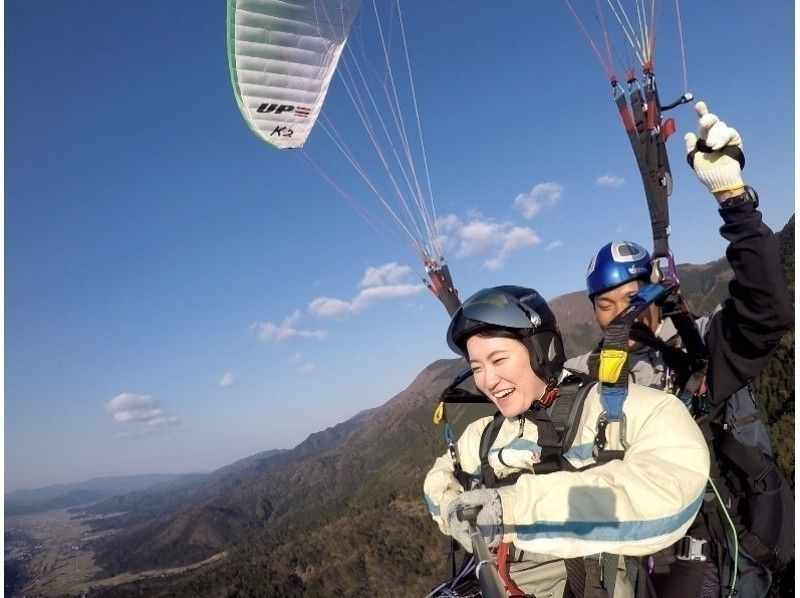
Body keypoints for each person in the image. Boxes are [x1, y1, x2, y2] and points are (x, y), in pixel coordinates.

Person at [564, 102, 794, 596]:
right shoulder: (587, 375)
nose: (622, 312)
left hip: (719, 550)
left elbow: (768, 309)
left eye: (633, 296)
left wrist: (734, 199)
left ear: (657, 292)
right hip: (642, 560)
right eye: (607, 304)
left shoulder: (700, 349)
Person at [424, 285, 710, 597]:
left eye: (498, 359)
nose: (487, 381)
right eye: (477, 367)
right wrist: (452, 509)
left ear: (541, 350)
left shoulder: (616, 412)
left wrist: (511, 509)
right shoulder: (486, 434)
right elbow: (440, 476)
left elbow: (669, 492)